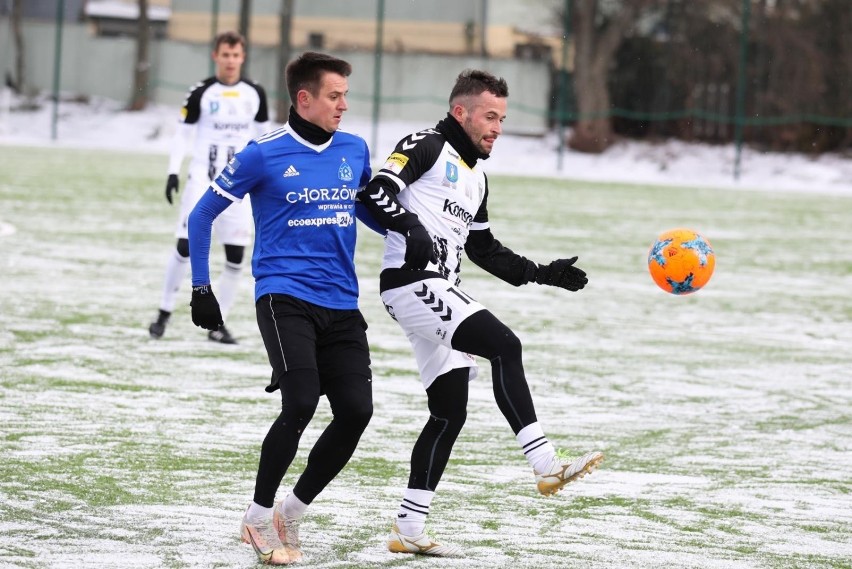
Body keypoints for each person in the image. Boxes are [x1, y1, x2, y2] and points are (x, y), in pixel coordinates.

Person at [356, 69, 604, 557]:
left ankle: (409, 528)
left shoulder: (477, 176)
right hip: (411, 284)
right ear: (460, 112)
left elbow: (483, 248)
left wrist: (541, 273)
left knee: (449, 413)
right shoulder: (425, 144)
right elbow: (377, 192)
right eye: (490, 116)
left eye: (503, 118)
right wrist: (411, 227)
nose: (497, 127)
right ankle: (545, 465)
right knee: (505, 346)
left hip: (439, 289)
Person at [187, 52, 373, 565]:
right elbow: (203, 215)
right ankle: (255, 517)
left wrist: (413, 230)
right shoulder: (262, 154)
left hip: (342, 301)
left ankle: (290, 510)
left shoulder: (355, 149)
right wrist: (202, 288)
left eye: (346, 95)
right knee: (301, 401)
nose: (343, 105)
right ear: (304, 98)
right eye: (334, 95)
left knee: (357, 412)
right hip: (282, 295)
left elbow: (368, 211)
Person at [148, 30, 269, 344]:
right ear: (216, 56)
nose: (230, 61)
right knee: (185, 246)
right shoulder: (201, 92)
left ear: (243, 57)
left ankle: (218, 324)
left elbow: (264, 140)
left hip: (239, 184)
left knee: (235, 255)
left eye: (236, 55)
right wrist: (174, 171)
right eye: (225, 55)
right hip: (203, 178)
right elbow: (183, 134)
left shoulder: (255, 93)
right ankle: (163, 311)